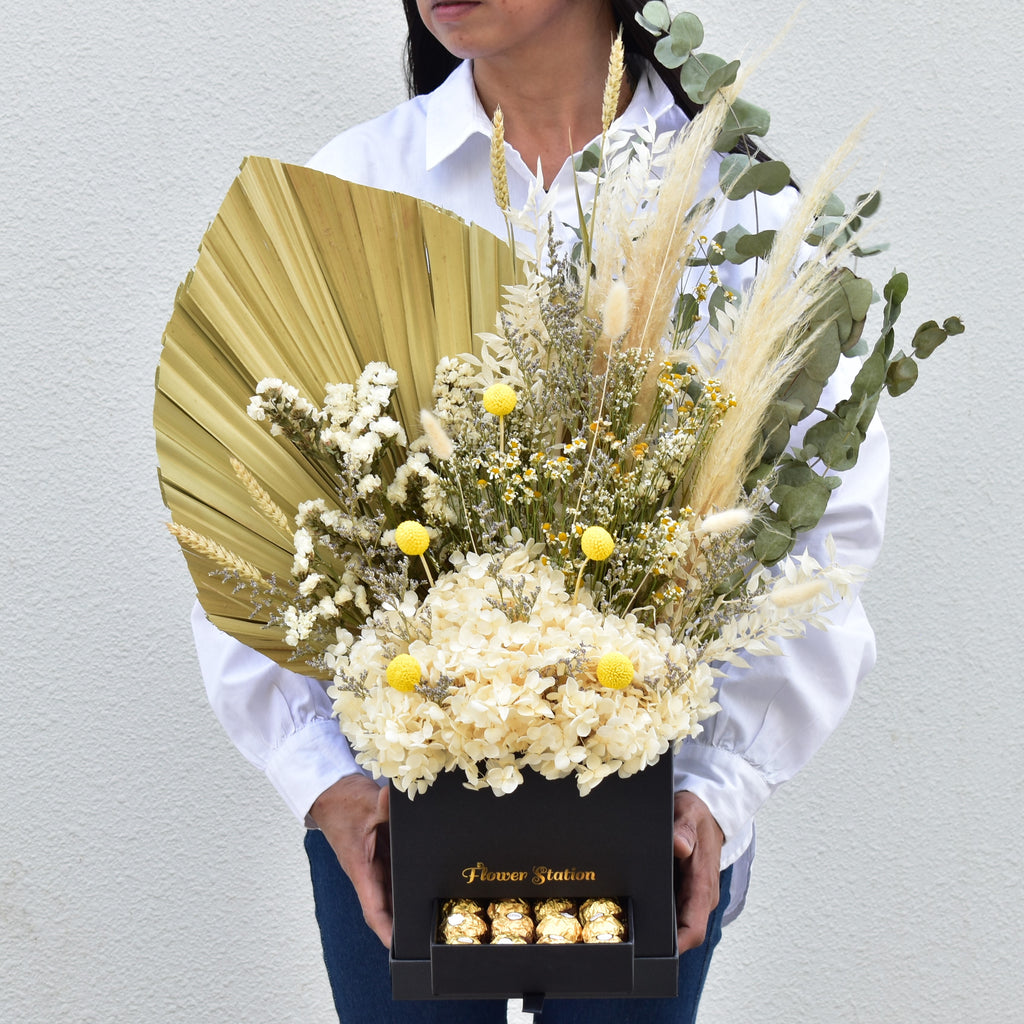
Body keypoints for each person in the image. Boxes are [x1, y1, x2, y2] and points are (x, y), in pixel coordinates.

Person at [191, 1, 889, 1020]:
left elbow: (819, 522)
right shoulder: (351, 187)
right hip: (393, 817)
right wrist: (323, 782)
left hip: (656, 813)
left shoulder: (743, 210)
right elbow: (248, 505)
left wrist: (717, 789)